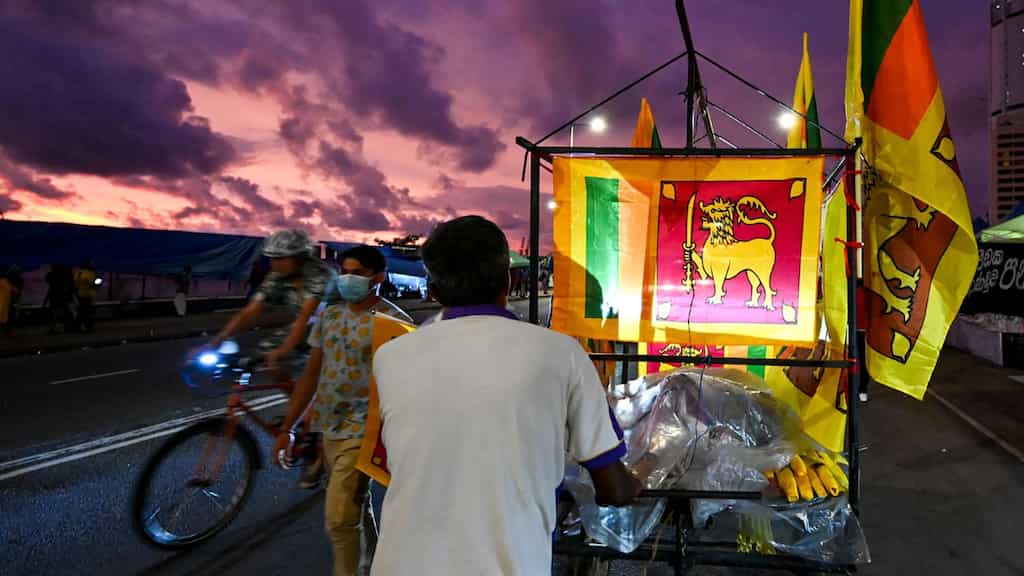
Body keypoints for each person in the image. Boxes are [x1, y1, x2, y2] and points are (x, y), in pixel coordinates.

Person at [369, 216, 640, 576]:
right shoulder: (561, 353)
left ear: (433, 291)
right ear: (509, 280)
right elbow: (613, 489)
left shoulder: (390, 356)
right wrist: (639, 480)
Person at [273, 245, 413, 576]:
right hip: (329, 427)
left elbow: (408, 385)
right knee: (352, 508)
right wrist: (288, 427)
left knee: (338, 519)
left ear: (378, 279)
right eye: (345, 270)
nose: (348, 278)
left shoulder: (395, 323)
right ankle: (377, 564)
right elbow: (312, 374)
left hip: (365, 430)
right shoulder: (329, 316)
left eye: (358, 273)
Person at [193, 229, 333, 486]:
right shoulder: (277, 275)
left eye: (281, 258)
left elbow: (306, 318)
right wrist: (214, 342)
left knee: (312, 380)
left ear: (300, 257)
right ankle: (300, 407)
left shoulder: (320, 275)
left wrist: (282, 352)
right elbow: (250, 313)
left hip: (333, 329)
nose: (274, 264)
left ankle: (318, 456)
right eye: (271, 258)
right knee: (268, 354)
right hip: (306, 327)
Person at [74, 260, 98, 332]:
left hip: (80, 294)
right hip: (88, 294)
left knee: (81, 311)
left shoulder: (78, 272)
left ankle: (78, 326)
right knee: (88, 311)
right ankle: (88, 327)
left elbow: (76, 283)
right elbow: (92, 284)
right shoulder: (90, 273)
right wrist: (96, 284)